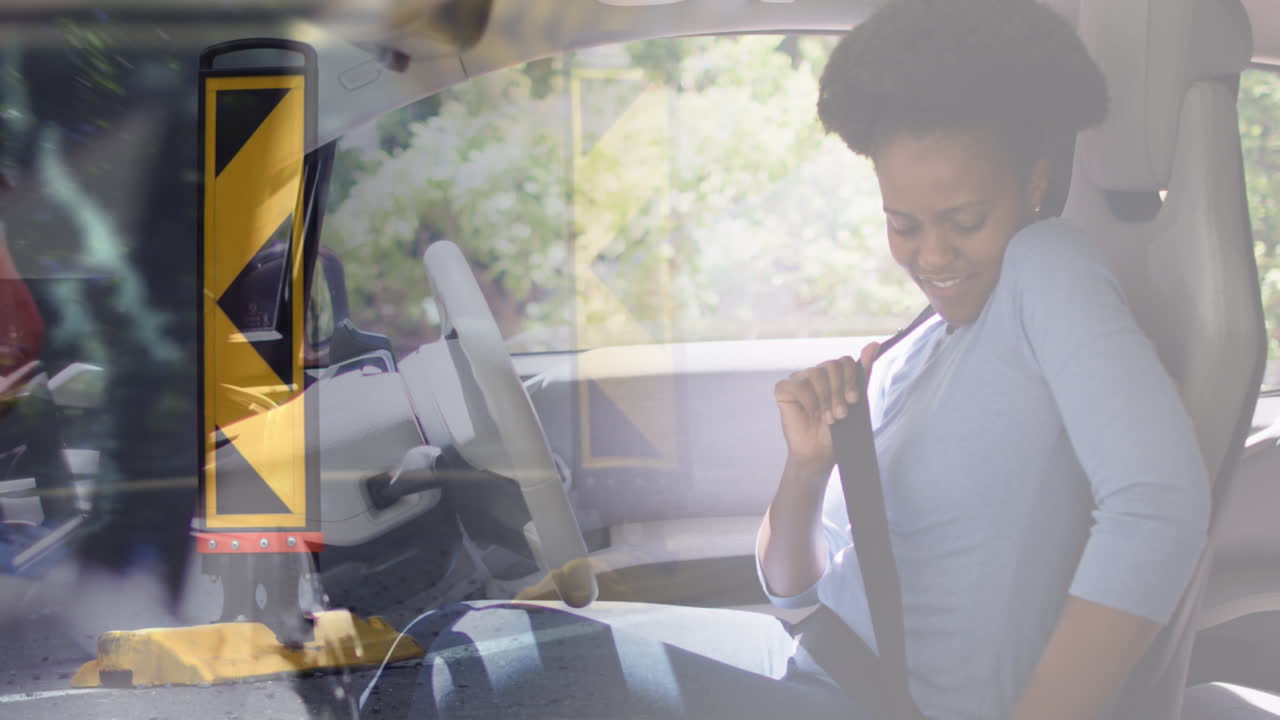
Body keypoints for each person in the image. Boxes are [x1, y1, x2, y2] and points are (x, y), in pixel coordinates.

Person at [393, 1, 1210, 718]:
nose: (934, 255)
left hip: (890, 706)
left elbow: (1159, 506)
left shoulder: (1048, 267)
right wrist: (807, 468)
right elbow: (792, 593)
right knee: (452, 636)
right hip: (816, 666)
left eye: (964, 217)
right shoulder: (915, 345)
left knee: (463, 687)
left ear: (1034, 183)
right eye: (905, 223)